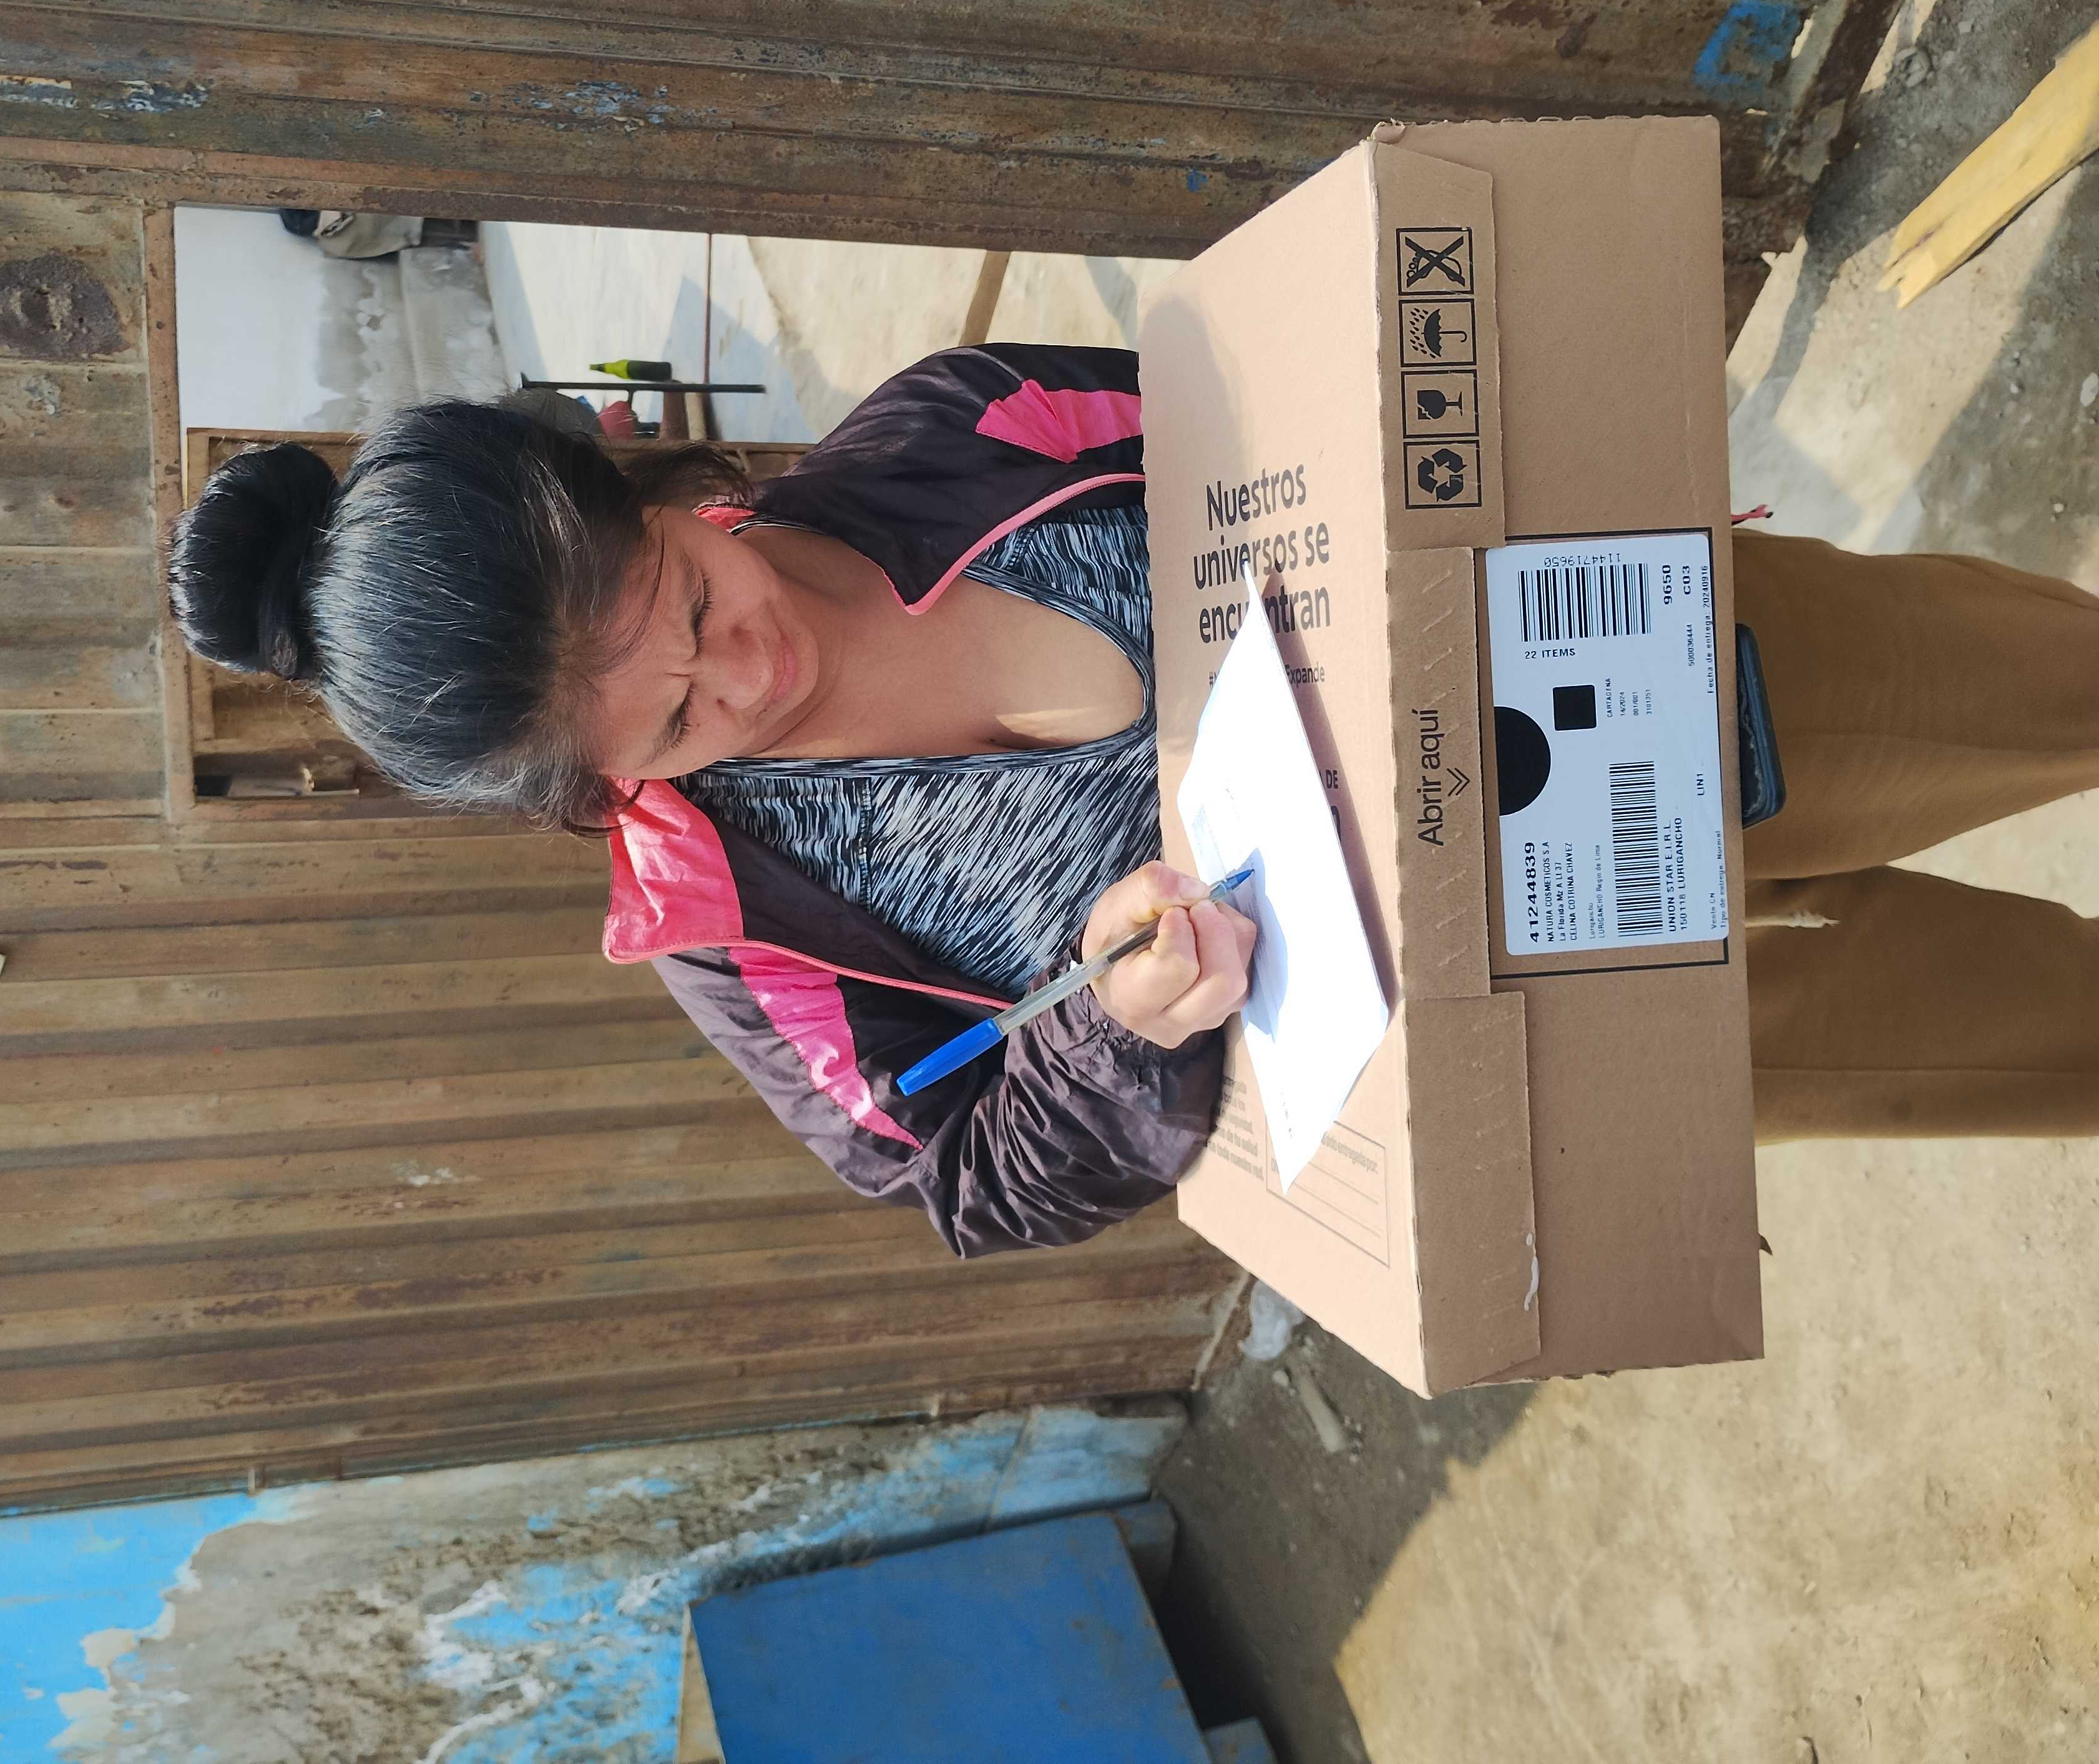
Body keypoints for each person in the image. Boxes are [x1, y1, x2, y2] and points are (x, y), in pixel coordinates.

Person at [167, 346, 2099, 1255]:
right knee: (2028, 1043)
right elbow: (963, 1178)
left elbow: (1340, 413)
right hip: (1548, 1010)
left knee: (2040, 689)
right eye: (666, 727)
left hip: (1635, 661)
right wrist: (1118, 1031)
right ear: (597, 787)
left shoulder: (957, 427)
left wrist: (1569, 466)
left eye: (685, 605)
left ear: (653, 492)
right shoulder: (738, 937)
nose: (737, 683)